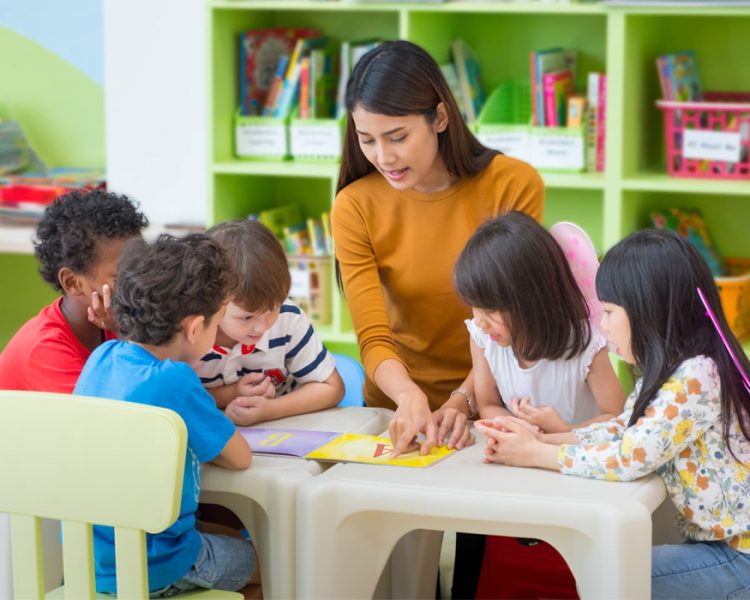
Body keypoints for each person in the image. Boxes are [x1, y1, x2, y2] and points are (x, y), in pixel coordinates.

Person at [477, 229, 750, 599]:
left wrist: (538, 454)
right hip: (723, 550)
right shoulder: (672, 370)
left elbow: (631, 456)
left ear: (649, 308)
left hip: (739, 558)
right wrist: (546, 438)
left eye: (608, 312)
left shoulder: (698, 375)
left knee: (611, 574)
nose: (602, 326)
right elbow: (625, 427)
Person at [331, 40, 545, 458]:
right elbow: (373, 338)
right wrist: (409, 398)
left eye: (397, 137)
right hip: (395, 407)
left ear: (440, 118)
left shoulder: (513, 185)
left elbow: (512, 319)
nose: (383, 156)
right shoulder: (354, 205)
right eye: (367, 140)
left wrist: (462, 399)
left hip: (496, 402)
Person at [74, 234, 259, 597]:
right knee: (270, 562)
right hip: (156, 566)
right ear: (193, 327)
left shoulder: (103, 356)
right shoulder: (174, 380)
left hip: (91, 562)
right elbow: (240, 458)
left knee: (223, 536)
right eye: (217, 322)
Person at [453, 211, 625, 432]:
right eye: (475, 306)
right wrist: (516, 427)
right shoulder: (483, 340)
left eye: (491, 310)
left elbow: (617, 418)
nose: (479, 321)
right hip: (522, 458)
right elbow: (489, 404)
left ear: (533, 299)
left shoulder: (585, 346)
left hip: (572, 458)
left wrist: (560, 431)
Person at [194, 219, 344, 426]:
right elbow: (172, 398)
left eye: (273, 309)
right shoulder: (190, 332)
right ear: (211, 300)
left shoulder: (288, 318)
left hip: (280, 433)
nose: (262, 327)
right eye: (246, 317)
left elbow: (331, 387)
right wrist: (231, 394)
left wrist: (271, 410)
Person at [0, 189, 148, 393]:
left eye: (144, 267)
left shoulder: (114, 317)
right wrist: (125, 332)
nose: (141, 281)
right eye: (122, 276)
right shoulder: (45, 349)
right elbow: (118, 416)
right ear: (72, 282)